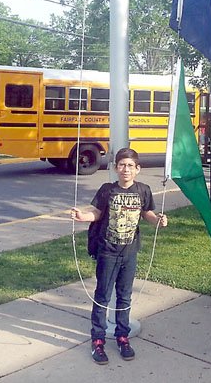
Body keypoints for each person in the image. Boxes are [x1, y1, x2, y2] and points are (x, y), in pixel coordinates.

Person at [70, 147, 168, 365]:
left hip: (129, 252)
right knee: (103, 295)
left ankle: (122, 337)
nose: (126, 169)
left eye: (130, 166)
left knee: (124, 296)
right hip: (108, 251)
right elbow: (96, 213)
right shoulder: (107, 190)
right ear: (115, 168)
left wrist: (158, 220)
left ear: (138, 169)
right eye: (122, 165)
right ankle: (97, 340)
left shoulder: (143, 190)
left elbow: (147, 214)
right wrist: (83, 216)